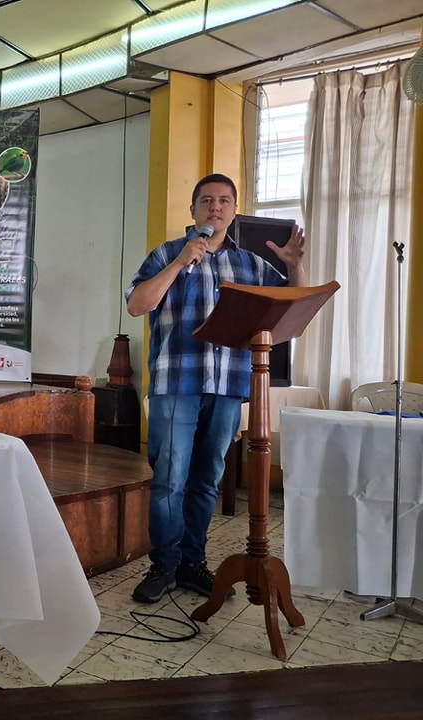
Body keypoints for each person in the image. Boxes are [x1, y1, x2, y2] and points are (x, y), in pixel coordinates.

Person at [125, 173, 306, 603]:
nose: (215, 207)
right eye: (207, 200)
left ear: (233, 210)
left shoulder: (250, 265)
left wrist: (294, 264)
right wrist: (181, 261)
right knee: (170, 480)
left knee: (207, 480)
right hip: (176, 383)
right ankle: (163, 565)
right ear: (193, 210)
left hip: (227, 384)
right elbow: (137, 305)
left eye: (225, 200)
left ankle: (192, 563)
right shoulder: (167, 253)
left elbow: (292, 310)